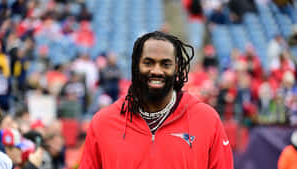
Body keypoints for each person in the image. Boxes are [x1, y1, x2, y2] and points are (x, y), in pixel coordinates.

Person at [79, 31, 233, 169]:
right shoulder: (103, 122)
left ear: (177, 68)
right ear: (136, 65)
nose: (157, 71)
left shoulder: (207, 120)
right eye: (148, 62)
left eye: (165, 64)